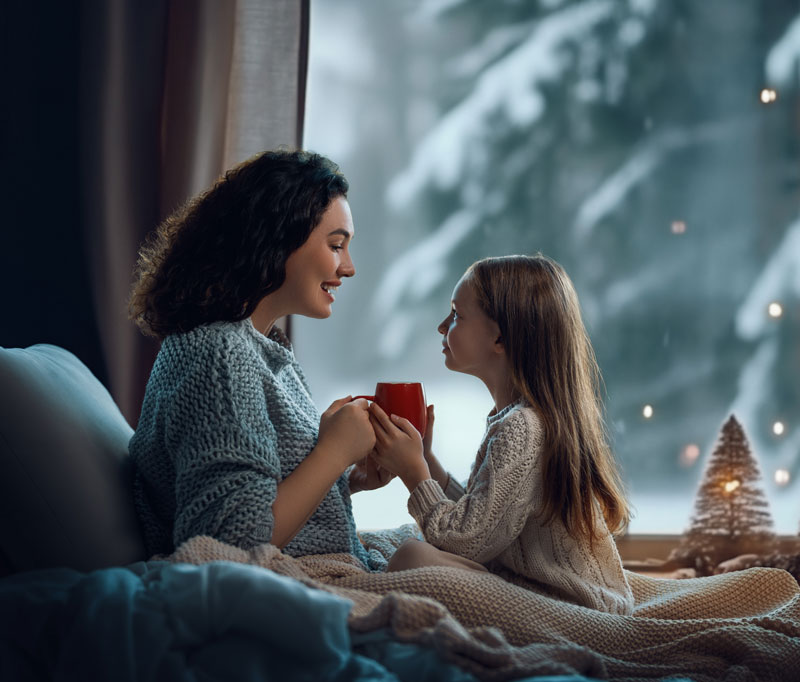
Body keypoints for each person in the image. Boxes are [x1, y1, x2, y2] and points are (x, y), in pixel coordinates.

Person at [127, 149, 392, 570]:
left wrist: (348, 479)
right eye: (336, 245)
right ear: (276, 238)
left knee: (449, 558)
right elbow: (230, 542)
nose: (349, 268)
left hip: (327, 565)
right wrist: (333, 453)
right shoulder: (218, 358)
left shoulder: (262, 350)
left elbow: (263, 492)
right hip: (297, 581)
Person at [368, 254, 635, 613]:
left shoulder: (522, 427)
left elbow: (467, 542)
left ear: (500, 338)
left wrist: (412, 473)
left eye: (456, 315)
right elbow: (487, 516)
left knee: (411, 557)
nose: (442, 326)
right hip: (550, 594)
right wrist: (427, 461)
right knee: (410, 549)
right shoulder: (520, 418)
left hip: (571, 605)